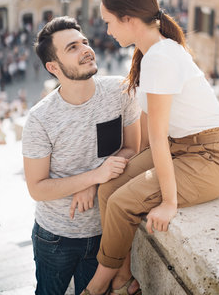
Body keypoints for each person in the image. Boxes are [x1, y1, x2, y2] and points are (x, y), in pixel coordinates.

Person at [81, 0, 219, 295]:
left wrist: (169, 201)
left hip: (210, 158)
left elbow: (157, 139)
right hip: (181, 147)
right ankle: (123, 281)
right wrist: (129, 165)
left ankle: (96, 287)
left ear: (129, 19)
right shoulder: (152, 52)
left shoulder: (161, 58)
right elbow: (155, 140)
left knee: (124, 202)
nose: (107, 30)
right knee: (109, 188)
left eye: (109, 21)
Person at [22, 16, 141, 295]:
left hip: (104, 235)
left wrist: (93, 183)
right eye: (72, 47)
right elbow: (36, 188)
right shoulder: (40, 119)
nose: (86, 49)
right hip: (55, 238)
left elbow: (134, 148)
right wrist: (94, 175)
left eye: (84, 42)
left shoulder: (119, 91)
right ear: (53, 67)